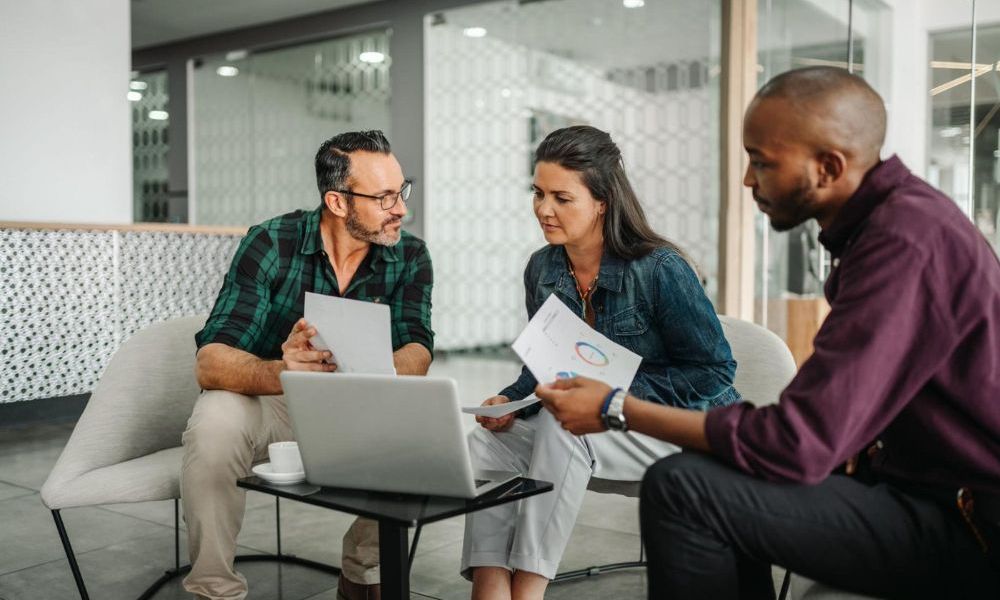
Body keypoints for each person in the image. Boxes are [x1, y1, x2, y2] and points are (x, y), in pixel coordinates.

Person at [536, 67, 1000, 599]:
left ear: (828, 168)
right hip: (914, 487)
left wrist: (617, 408)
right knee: (710, 469)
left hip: (970, 524)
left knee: (681, 488)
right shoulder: (894, 225)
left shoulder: (905, 243)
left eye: (762, 162)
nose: (748, 180)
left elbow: (798, 444)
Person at [462, 125, 741, 600]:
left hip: (676, 429)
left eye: (561, 198)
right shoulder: (542, 269)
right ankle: (491, 587)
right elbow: (544, 365)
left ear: (602, 201)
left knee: (561, 429)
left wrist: (612, 394)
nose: (543, 209)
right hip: (598, 425)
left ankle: (529, 590)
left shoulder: (660, 269)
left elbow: (714, 373)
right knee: (489, 443)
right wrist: (510, 399)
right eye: (538, 193)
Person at [183, 130, 434, 600]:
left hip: (360, 405)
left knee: (417, 423)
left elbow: (418, 346)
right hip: (276, 402)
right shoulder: (270, 242)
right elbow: (211, 362)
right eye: (384, 198)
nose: (402, 208)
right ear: (337, 202)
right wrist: (284, 370)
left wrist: (377, 374)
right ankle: (213, 589)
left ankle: (362, 575)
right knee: (214, 420)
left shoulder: (411, 255)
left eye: (402, 191)